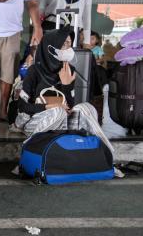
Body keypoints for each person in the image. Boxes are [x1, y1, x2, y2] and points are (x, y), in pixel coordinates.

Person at [12, 26, 114, 154]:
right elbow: (22, 106)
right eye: (64, 43)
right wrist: (50, 106)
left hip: (61, 122)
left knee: (86, 108)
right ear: (50, 46)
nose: (68, 48)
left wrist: (66, 85)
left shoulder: (68, 69)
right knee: (58, 112)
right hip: (35, 121)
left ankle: (105, 155)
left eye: (70, 44)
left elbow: (70, 107)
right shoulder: (35, 71)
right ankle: (29, 151)